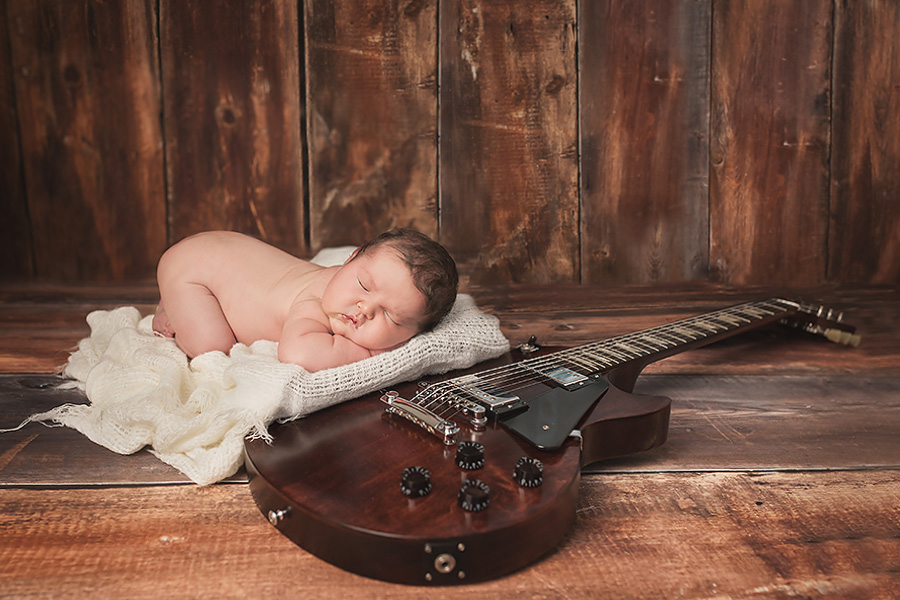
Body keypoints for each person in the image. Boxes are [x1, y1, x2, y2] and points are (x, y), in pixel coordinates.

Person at [152, 228, 458, 372]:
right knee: (212, 346)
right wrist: (368, 355)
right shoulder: (313, 303)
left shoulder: (347, 282)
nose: (364, 309)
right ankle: (173, 301)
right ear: (349, 259)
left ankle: (178, 297)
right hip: (192, 267)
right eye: (363, 285)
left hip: (222, 249)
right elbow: (298, 354)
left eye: (390, 317)